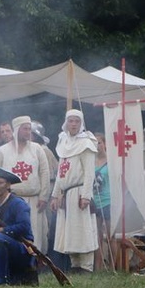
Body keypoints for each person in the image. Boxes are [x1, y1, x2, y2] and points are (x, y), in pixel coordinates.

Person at [50, 109, 98, 273]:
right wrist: (55, 195)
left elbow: (90, 172)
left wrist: (85, 196)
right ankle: (75, 264)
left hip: (79, 192)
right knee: (70, 231)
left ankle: (86, 265)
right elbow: (60, 173)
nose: (74, 124)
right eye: (71, 121)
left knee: (82, 229)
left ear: (81, 123)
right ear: (66, 122)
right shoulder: (63, 142)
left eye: (77, 121)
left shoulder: (86, 143)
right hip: (67, 193)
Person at [0, 116, 50, 252]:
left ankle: (34, 262)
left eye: (29, 129)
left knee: (34, 233)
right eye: (25, 129)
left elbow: (45, 172)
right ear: (17, 130)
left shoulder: (37, 149)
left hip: (34, 200)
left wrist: (44, 197)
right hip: (10, 201)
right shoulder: (2, 151)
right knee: (10, 233)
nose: (28, 132)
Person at [93, 132, 112, 267]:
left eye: (99, 142)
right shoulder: (91, 161)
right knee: (97, 235)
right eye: (94, 143)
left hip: (108, 200)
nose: (97, 145)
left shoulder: (111, 161)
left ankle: (113, 265)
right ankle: (98, 266)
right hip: (95, 201)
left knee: (110, 236)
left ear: (104, 144)